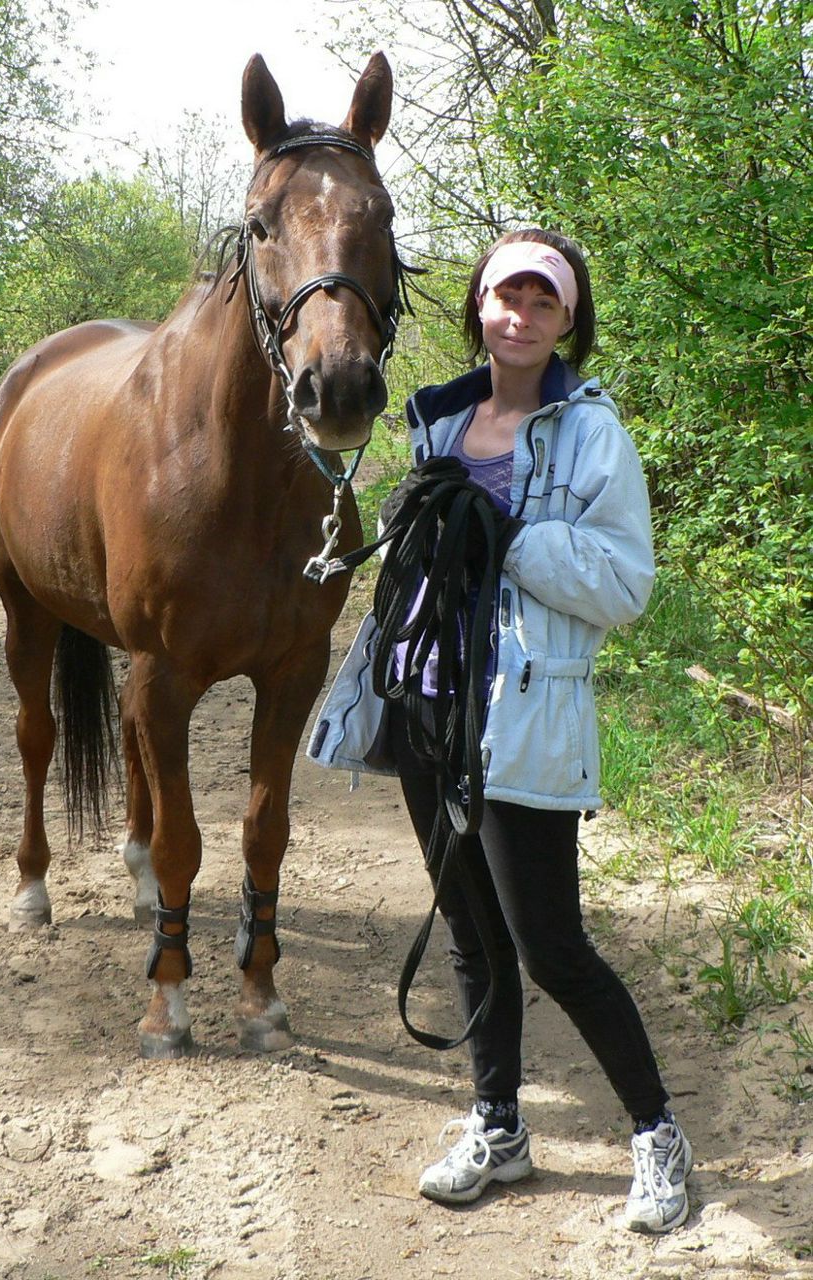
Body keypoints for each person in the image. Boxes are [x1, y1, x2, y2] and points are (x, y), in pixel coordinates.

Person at [307, 228, 692, 1234]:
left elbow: (623, 584)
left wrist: (513, 537)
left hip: (522, 717)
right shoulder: (437, 418)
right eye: (505, 295)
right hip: (427, 703)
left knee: (551, 946)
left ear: (567, 322)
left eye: (541, 300)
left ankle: (656, 1133)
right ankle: (500, 1124)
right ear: (478, 305)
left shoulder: (591, 433)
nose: (519, 315)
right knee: (472, 937)